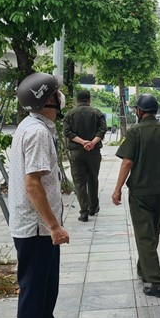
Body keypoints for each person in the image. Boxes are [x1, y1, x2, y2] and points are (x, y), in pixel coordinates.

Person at [8, 72, 78, 318]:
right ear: (49, 100)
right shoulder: (36, 133)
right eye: (58, 92)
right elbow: (33, 184)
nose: (61, 96)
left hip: (40, 226)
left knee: (48, 287)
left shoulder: (35, 127)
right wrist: (53, 226)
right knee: (34, 290)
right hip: (36, 228)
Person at [112, 94, 160, 297]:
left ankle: (157, 282)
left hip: (140, 191)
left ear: (139, 111)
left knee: (145, 235)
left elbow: (127, 162)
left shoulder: (135, 131)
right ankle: (143, 269)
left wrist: (117, 188)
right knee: (151, 233)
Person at [63, 89, 107, 222]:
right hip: (93, 152)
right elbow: (103, 129)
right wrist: (92, 143)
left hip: (76, 152)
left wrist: (83, 142)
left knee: (79, 182)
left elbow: (67, 132)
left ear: (77, 100)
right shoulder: (97, 113)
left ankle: (84, 212)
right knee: (93, 179)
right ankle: (94, 207)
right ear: (89, 100)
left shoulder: (69, 114)